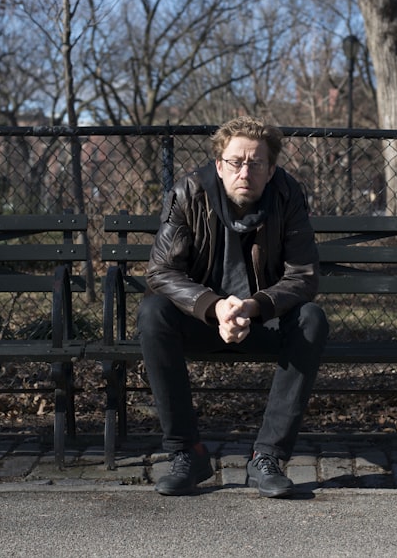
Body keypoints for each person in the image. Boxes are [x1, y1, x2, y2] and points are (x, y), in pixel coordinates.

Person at [138, 116, 329, 497]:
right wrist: (213, 307)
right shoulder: (188, 192)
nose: (246, 171)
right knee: (152, 313)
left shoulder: (288, 195)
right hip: (203, 319)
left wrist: (253, 307)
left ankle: (267, 457)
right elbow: (161, 271)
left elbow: (304, 276)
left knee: (312, 319)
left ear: (271, 169)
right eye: (236, 162)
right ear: (219, 165)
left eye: (256, 163)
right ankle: (187, 454)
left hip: (262, 319)